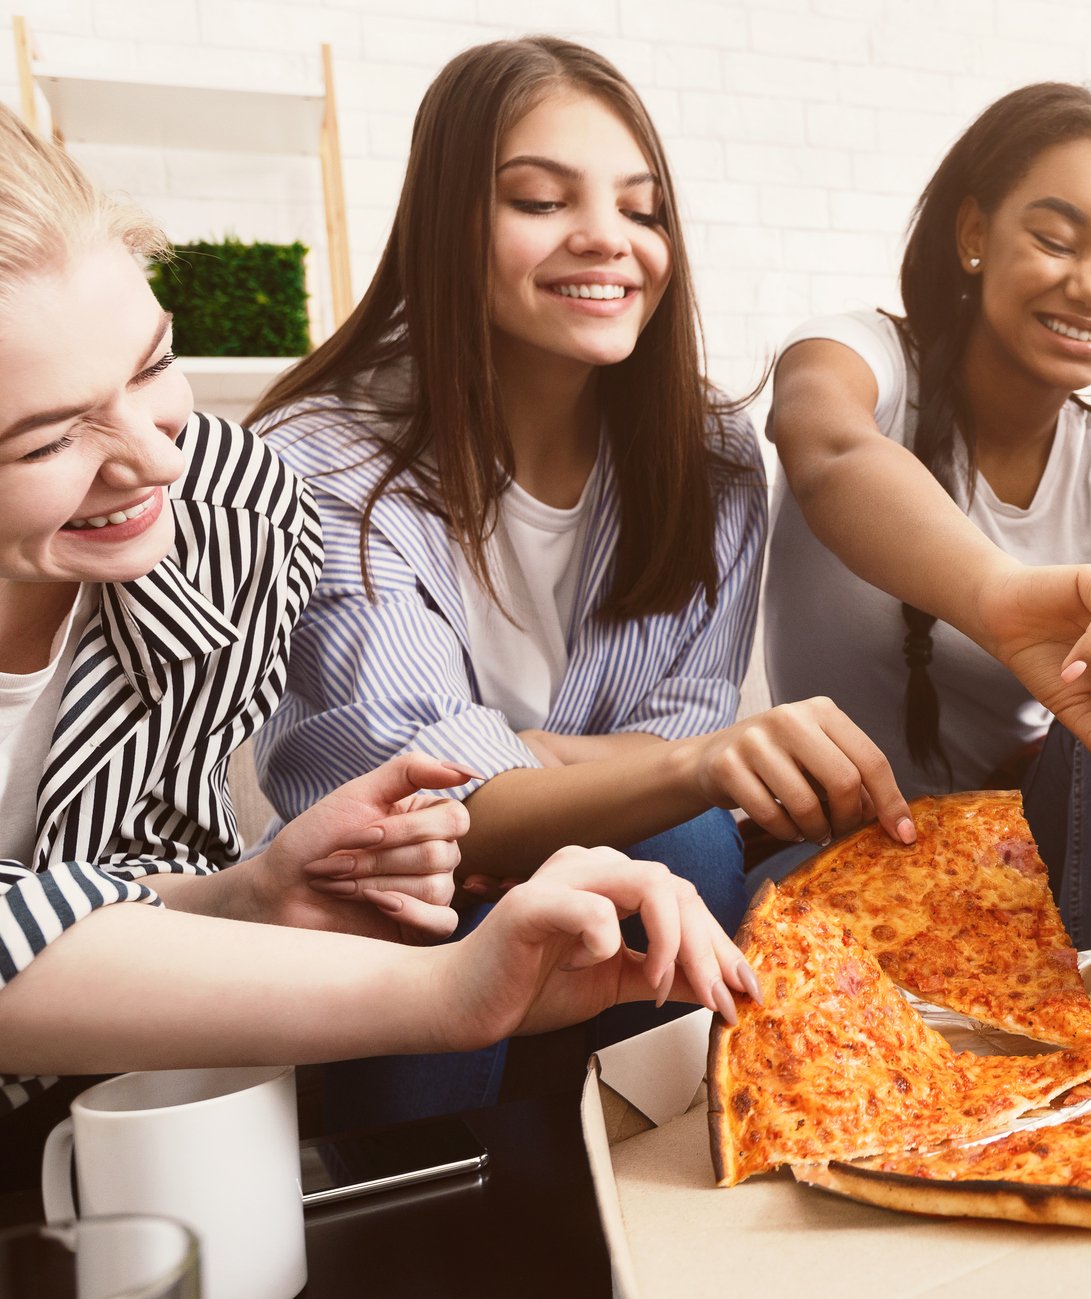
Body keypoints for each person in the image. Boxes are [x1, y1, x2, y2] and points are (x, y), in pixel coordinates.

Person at [0, 104, 750, 1177]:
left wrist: (241, 898)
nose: (153, 463)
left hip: (128, 1091)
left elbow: (117, 874)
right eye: (49, 439)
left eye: (150, 367)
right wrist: (450, 993)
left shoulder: (229, 510)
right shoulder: (326, 460)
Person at [247, 37, 840, 1122]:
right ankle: (454, 1219)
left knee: (695, 842)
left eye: (641, 208)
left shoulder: (706, 464)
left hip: (624, 894)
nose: (608, 240)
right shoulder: (314, 457)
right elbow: (424, 813)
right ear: (446, 223)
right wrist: (595, 784)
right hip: (404, 915)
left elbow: (668, 746)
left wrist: (539, 777)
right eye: (538, 198)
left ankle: (647, 1169)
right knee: (523, 878)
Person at [767, 83, 1091, 943]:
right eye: (1054, 239)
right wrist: (1000, 598)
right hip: (835, 839)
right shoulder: (860, 356)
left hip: (1033, 865)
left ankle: (1081, 1023)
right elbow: (829, 450)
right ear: (973, 235)